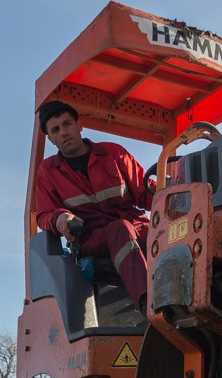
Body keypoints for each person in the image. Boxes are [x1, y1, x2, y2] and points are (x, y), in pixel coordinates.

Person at [35, 100, 151, 311]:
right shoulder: (48, 172)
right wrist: (60, 217)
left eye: (67, 124)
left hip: (139, 229)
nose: (64, 132)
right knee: (120, 228)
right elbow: (44, 214)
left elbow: (146, 193)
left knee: (172, 233)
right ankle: (149, 304)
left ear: (79, 125)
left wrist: (172, 191)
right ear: (51, 139)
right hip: (93, 239)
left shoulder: (114, 154)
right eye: (56, 130)